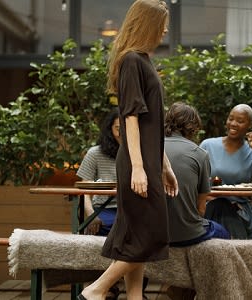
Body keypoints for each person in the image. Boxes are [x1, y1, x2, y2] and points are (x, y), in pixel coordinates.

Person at [79, 1, 178, 300]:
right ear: (147, 24)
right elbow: (131, 118)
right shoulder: (133, 61)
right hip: (137, 162)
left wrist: (164, 165)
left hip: (147, 160)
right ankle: (96, 290)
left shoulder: (144, 60)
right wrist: (139, 166)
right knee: (151, 235)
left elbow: (152, 126)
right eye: (161, 23)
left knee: (137, 236)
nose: (165, 29)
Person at [199, 104, 252, 239]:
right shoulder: (208, 145)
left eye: (240, 121)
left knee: (228, 212)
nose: (233, 124)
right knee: (221, 206)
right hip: (209, 207)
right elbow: (195, 181)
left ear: (249, 125)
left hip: (240, 211)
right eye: (231, 119)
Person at [164, 102, 230, 247]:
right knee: (224, 233)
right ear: (193, 127)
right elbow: (201, 208)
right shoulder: (199, 154)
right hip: (186, 234)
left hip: (151, 232)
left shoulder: (150, 147)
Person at [77, 108, 120, 236]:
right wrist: (91, 215)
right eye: (118, 128)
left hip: (131, 208)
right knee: (101, 226)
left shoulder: (138, 154)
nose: (122, 133)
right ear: (110, 129)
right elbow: (84, 190)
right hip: (103, 207)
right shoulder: (95, 153)